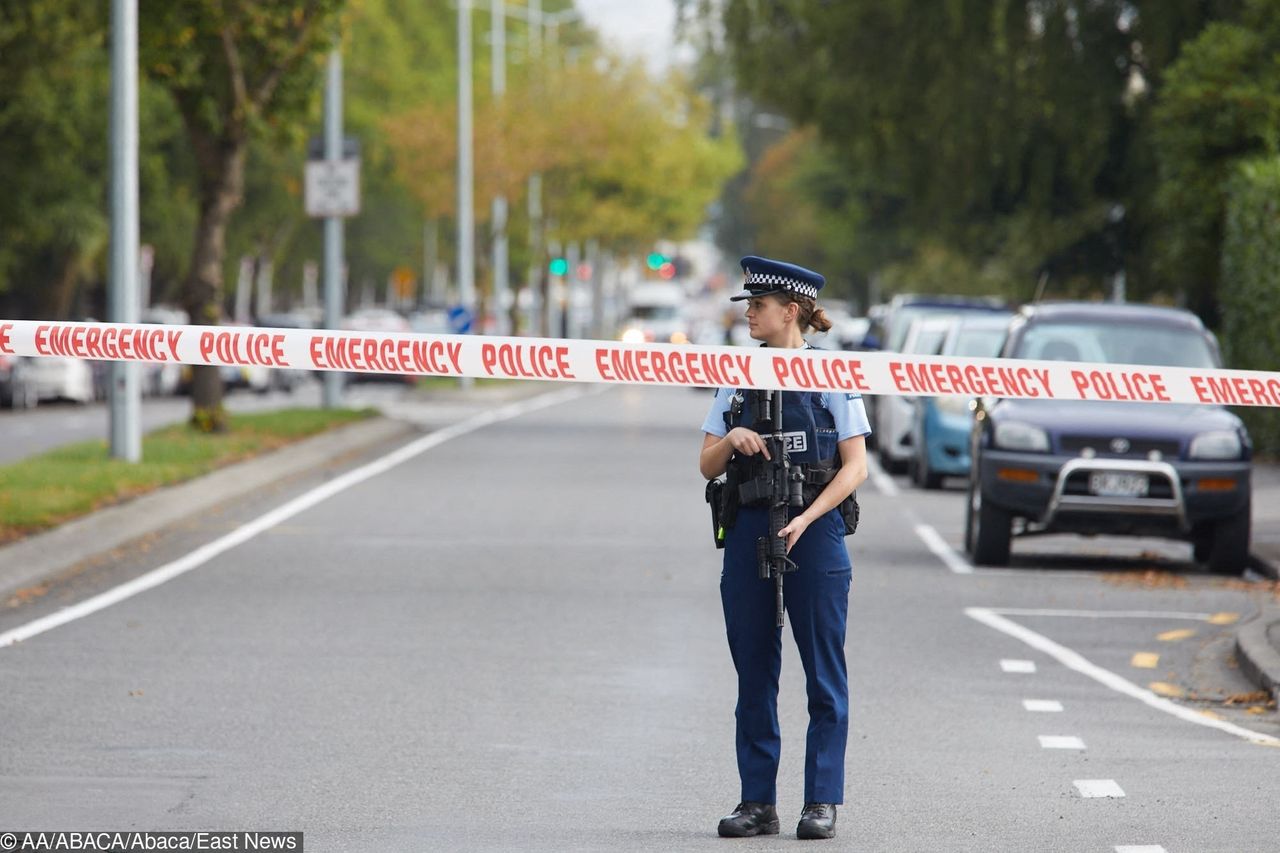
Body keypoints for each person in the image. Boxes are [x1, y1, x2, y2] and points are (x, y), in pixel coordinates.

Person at [699, 256, 870, 841]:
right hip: (748, 528)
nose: (748, 313)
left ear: (789, 311)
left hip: (815, 532)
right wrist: (732, 438)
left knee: (824, 671)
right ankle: (757, 802)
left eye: (758, 305)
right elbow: (705, 462)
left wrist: (807, 518)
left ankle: (821, 800)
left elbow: (855, 467)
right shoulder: (736, 376)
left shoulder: (830, 375)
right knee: (754, 669)